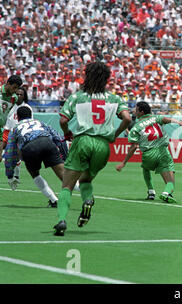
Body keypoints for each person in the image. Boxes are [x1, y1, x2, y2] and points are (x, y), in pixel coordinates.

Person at [53, 62, 132, 236]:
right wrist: (115, 134)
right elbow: (127, 118)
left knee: (67, 185)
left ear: (87, 76)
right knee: (87, 179)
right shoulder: (115, 98)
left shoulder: (77, 97)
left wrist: (67, 134)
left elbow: (63, 121)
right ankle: (87, 199)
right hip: (103, 145)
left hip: (83, 140)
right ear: (106, 79)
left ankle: (61, 220)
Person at [115, 101, 182, 202]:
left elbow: (134, 146)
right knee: (170, 174)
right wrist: (179, 122)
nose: (134, 111)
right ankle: (167, 192)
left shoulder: (136, 127)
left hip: (148, 154)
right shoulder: (156, 118)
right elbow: (166, 119)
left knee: (145, 168)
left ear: (141, 112)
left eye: (136, 109)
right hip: (162, 151)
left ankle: (151, 192)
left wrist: (124, 162)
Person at [3, 106, 69, 207]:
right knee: (64, 174)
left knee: (35, 174)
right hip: (47, 142)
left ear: (18, 117)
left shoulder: (15, 128)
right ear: (31, 115)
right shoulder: (40, 123)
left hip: (30, 147)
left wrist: (10, 174)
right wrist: (65, 157)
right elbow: (58, 138)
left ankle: (54, 200)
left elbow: (9, 152)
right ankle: (85, 193)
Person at [1, 86, 32, 181]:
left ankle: (16, 175)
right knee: (5, 153)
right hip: (8, 132)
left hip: (19, 134)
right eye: (17, 94)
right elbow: (6, 121)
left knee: (17, 156)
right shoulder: (11, 106)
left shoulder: (27, 108)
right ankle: (12, 176)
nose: (19, 96)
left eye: (21, 94)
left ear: (24, 96)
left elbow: (29, 123)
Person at [0, 75, 22, 159]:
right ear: (8, 83)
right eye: (14, 87)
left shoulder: (14, 98)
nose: (15, 91)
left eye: (17, 88)